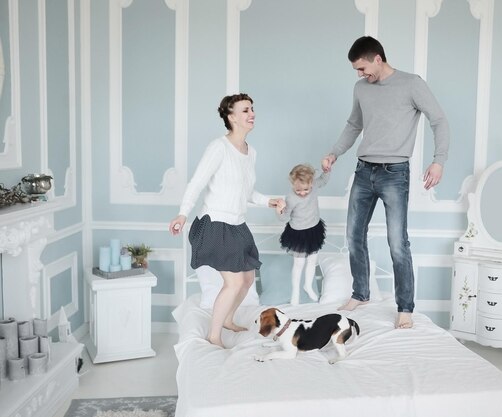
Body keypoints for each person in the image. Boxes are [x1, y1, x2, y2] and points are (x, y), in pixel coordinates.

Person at [321, 36, 450, 329]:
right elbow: (354, 125)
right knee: (354, 237)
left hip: (395, 173)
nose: (360, 74)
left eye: (363, 68)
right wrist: (334, 153)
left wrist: (438, 160)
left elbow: (439, 120)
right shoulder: (360, 89)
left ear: (378, 58)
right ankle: (361, 293)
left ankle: (405, 307)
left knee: (397, 243)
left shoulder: (412, 84)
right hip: (364, 171)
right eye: (357, 70)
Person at [169, 93, 283, 348]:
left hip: (237, 225)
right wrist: (183, 213)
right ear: (231, 117)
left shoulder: (250, 152)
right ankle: (214, 335)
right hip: (215, 224)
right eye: (245, 110)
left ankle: (228, 319)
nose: (251, 113)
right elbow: (197, 182)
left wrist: (269, 201)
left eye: (252, 108)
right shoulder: (218, 148)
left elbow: (246, 191)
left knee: (247, 279)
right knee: (232, 283)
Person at [275, 164, 330, 305]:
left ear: (311, 183)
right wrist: (279, 210)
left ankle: (308, 286)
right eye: (298, 190)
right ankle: (295, 292)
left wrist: (327, 170)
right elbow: (285, 218)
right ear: (292, 184)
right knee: (299, 263)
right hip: (298, 233)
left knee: (312, 261)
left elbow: (323, 180)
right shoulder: (291, 198)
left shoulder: (314, 186)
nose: (302, 193)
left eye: (306, 189)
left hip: (314, 230)